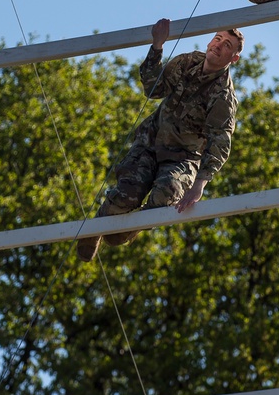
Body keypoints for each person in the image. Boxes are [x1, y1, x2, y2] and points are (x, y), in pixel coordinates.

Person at [76, 18, 244, 262]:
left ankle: (131, 228)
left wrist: (200, 184)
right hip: (150, 143)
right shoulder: (188, 63)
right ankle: (98, 228)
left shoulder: (223, 96)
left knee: (166, 195)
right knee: (126, 195)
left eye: (227, 45)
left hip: (183, 157)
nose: (218, 45)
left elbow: (220, 141)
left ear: (233, 59)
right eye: (217, 38)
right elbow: (153, 89)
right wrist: (157, 46)